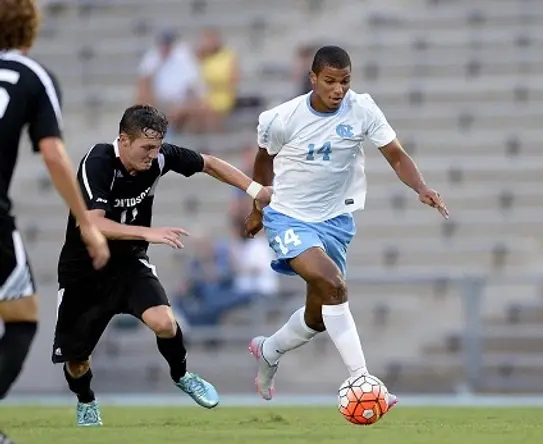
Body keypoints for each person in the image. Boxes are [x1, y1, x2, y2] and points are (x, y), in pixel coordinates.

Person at [244, 46, 449, 407]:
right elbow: (263, 162)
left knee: (319, 316)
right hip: (289, 215)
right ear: (313, 79)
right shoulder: (282, 118)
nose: (338, 89)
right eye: (330, 81)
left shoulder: (363, 109)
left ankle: (269, 351)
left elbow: (396, 155)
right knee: (334, 284)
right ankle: (362, 378)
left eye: (345, 81)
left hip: (336, 221)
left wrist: (421, 187)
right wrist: (258, 208)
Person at [52, 104, 271, 426]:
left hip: (128, 265)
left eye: (156, 147)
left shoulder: (160, 157)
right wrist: (148, 232)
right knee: (77, 361)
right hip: (84, 271)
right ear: (123, 140)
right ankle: (86, 400)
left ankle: (182, 375)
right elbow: (91, 225)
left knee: (165, 323)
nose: (153, 155)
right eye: (146, 148)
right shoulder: (98, 162)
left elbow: (208, 163)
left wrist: (255, 189)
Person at [0, 0, 109, 412]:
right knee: (23, 317)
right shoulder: (33, 76)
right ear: (30, 28)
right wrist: (86, 221)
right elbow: (52, 154)